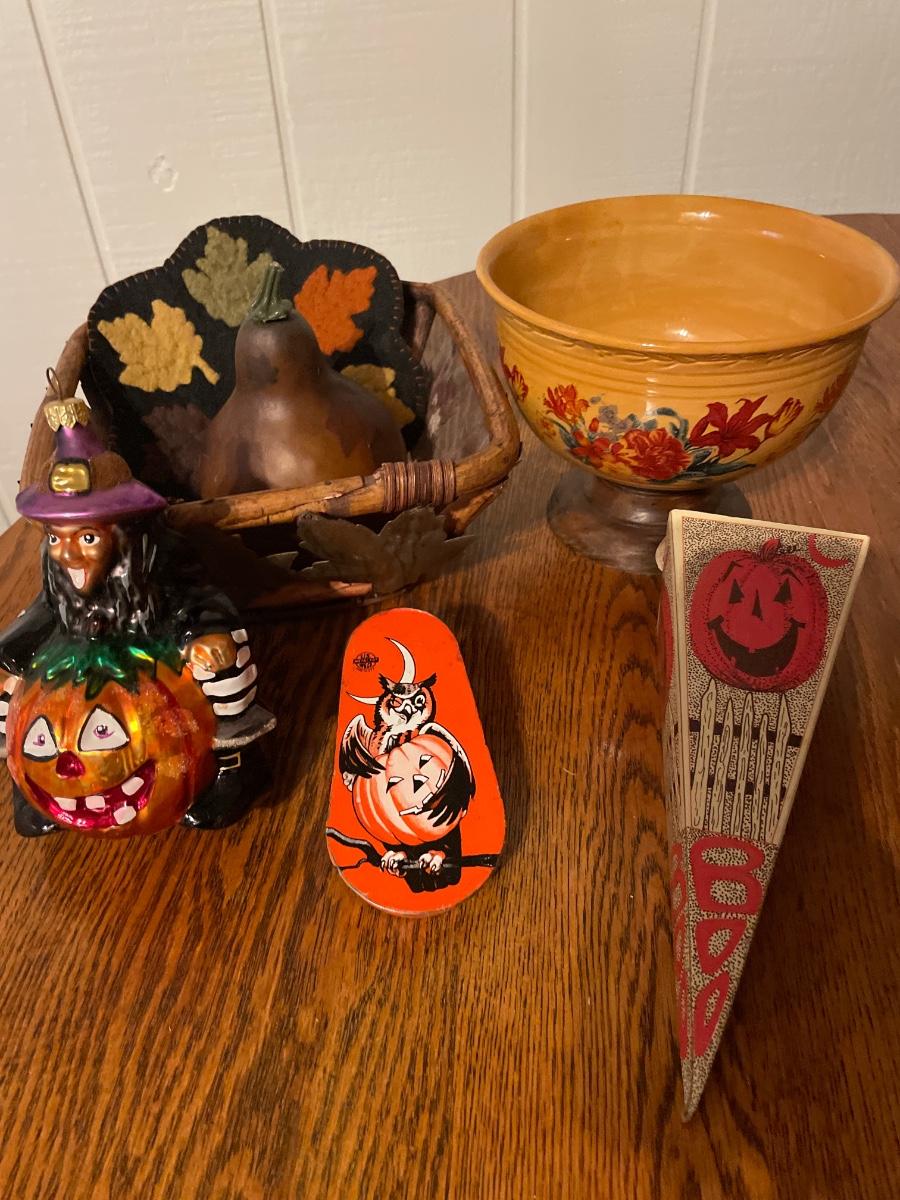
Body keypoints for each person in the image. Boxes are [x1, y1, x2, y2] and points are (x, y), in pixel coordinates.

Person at [0, 392, 274, 835]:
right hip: (74, 665)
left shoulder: (160, 565)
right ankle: (28, 780)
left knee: (224, 665)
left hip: (154, 662)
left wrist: (207, 636)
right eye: (55, 538)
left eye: (87, 538)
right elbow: (45, 610)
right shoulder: (59, 575)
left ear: (124, 533)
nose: (67, 553)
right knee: (7, 687)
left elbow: (199, 600)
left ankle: (234, 766)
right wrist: (12, 654)